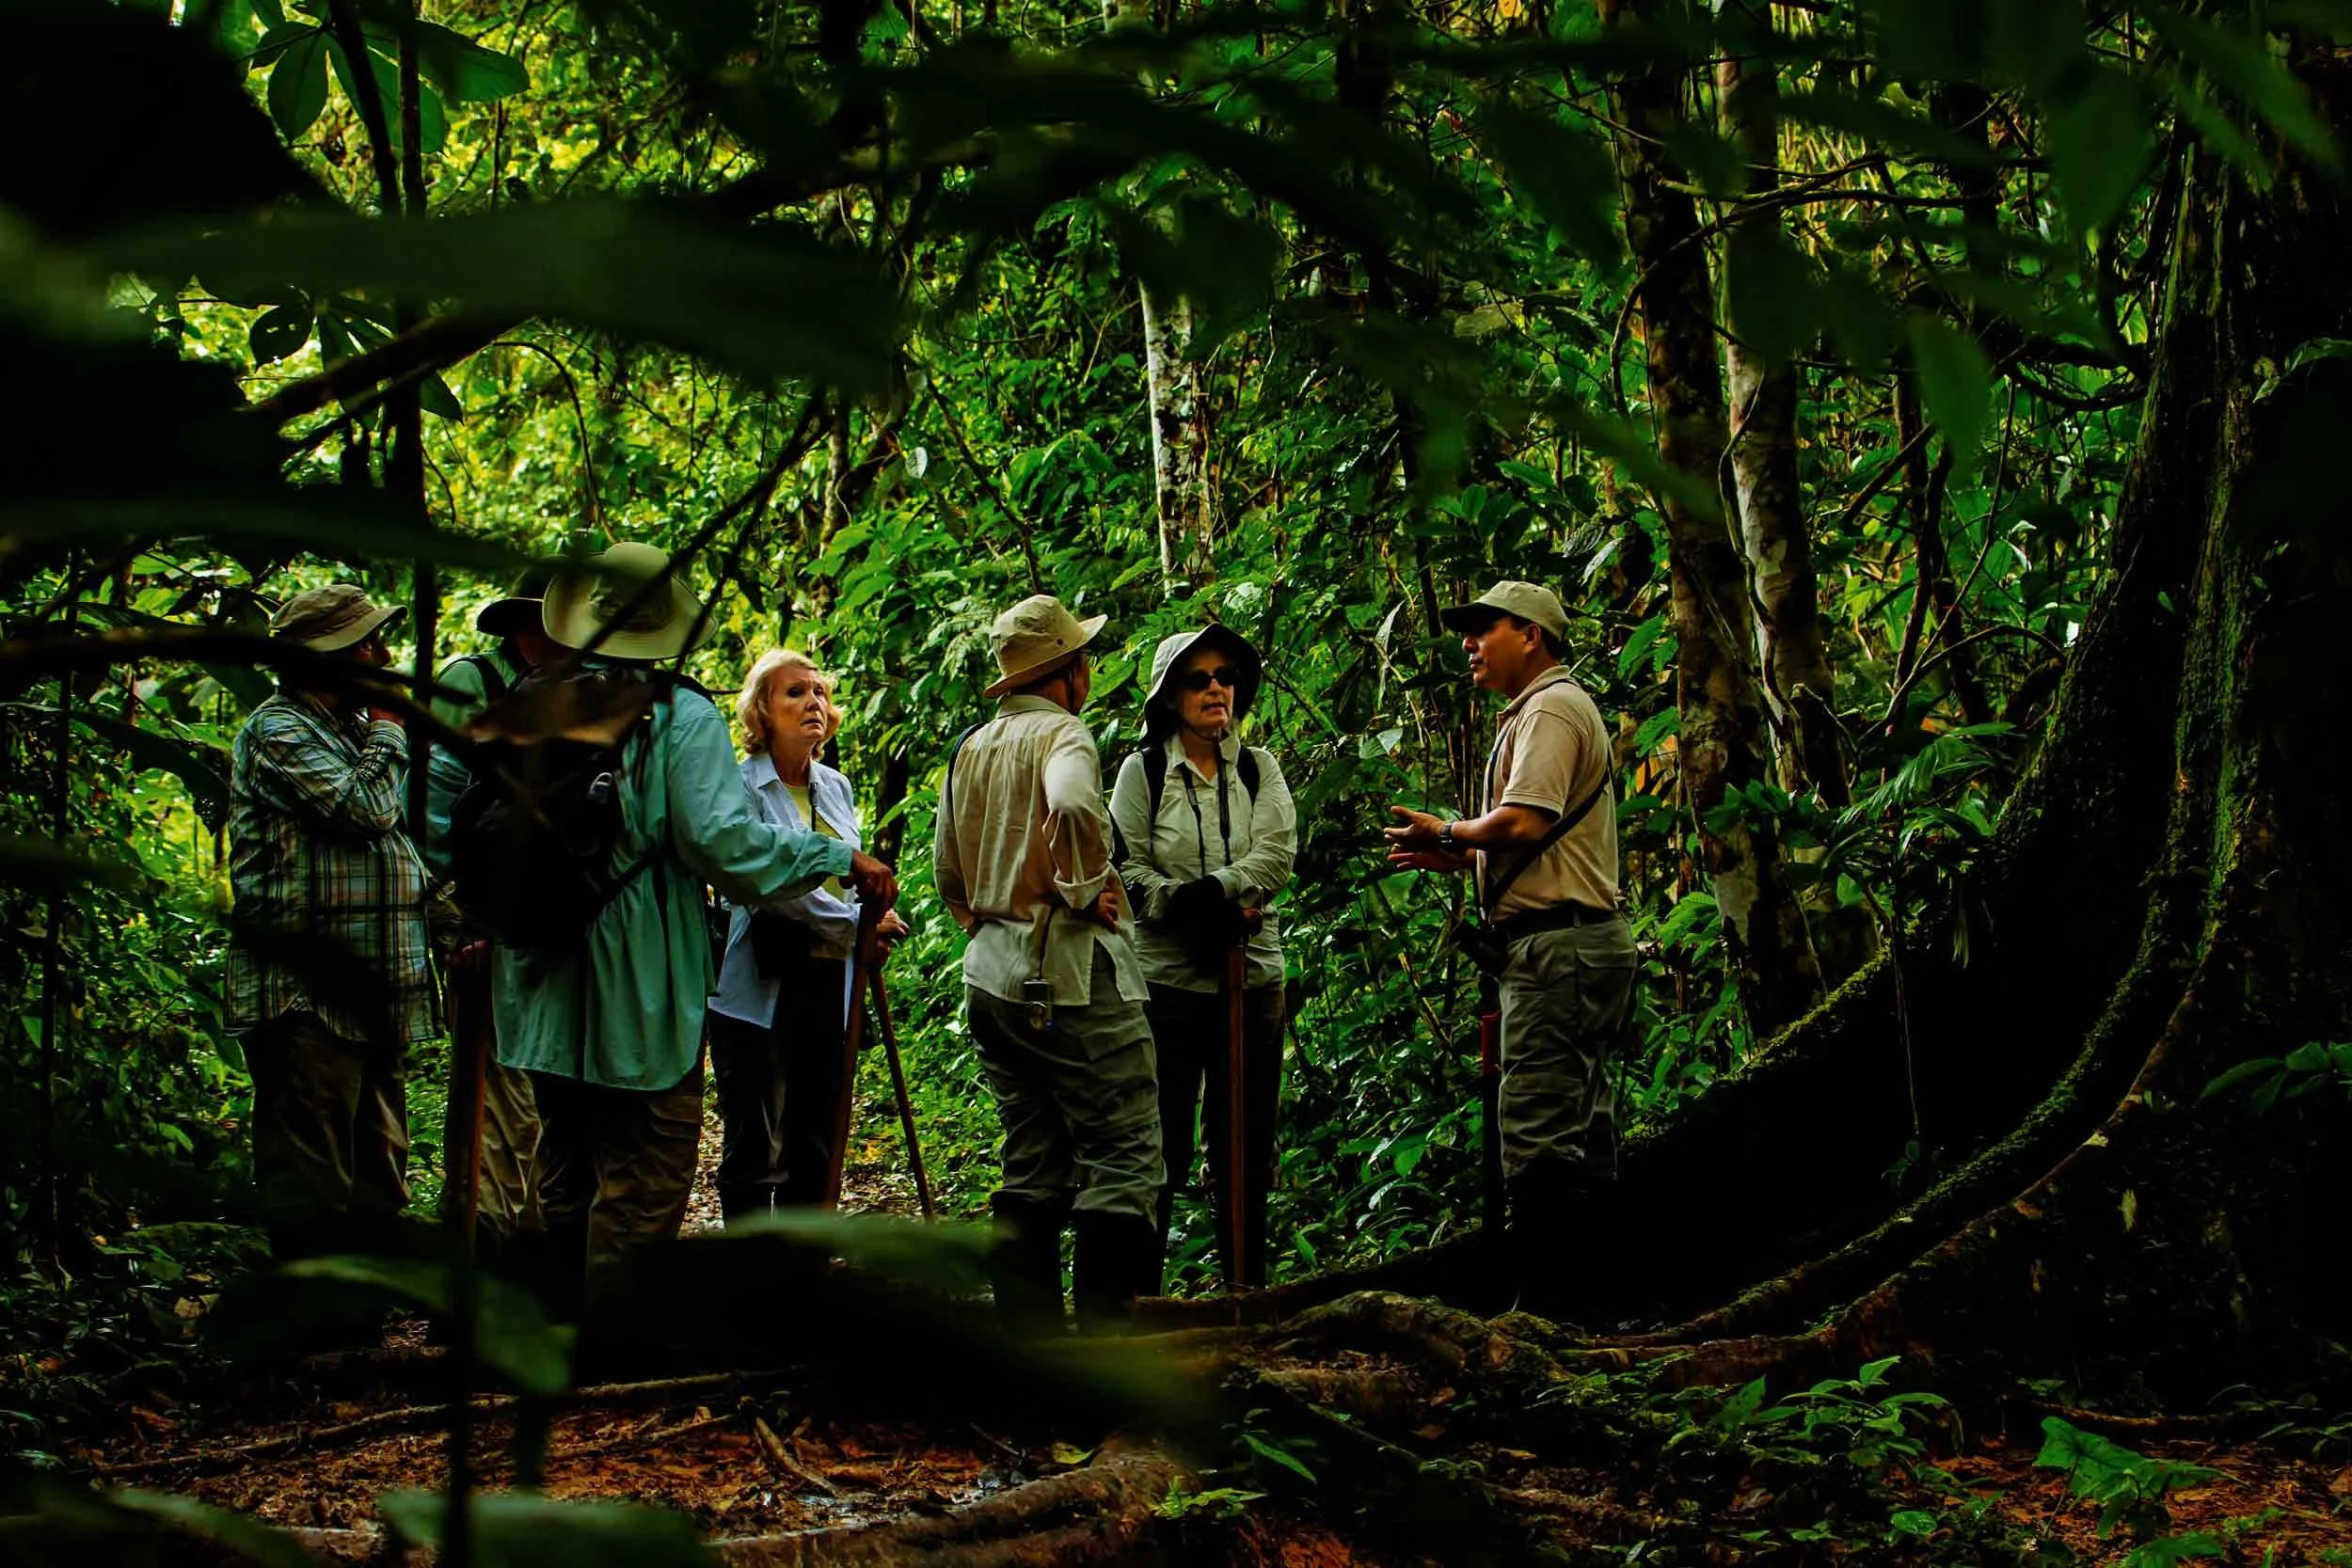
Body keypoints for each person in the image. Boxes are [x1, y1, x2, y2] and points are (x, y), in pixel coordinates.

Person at [489, 543, 898, 1316]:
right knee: (645, 1171)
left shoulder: (534, 701)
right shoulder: (677, 715)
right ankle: (610, 1346)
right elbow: (724, 846)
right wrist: (834, 855)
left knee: (566, 1162)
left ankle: (551, 1326)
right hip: (637, 983)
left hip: (539, 978)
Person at [1381, 579, 1631, 1317]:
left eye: (1483, 629)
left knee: (1537, 1131)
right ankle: (1597, 1302)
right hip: (1574, 946)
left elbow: (1524, 821)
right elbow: (1543, 839)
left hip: (1562, 952)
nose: (1469, 643)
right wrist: (1458, 855)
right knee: (1582, 1128)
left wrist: (1452, 832)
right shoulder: (1544, 708)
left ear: (1531, 634)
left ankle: (1551, 1315)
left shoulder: (1553, 706)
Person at [933, 594, 1163, 1334]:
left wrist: (989, 912)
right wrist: (1083, 886)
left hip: (990, 974)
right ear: (1069, 670)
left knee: (1031, 1158)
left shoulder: (973, 746)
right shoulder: (1064, 734)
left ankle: (1032, 1358)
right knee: (1124, 1154)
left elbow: (948, 874)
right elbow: (1069, 803)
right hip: (1064, 977)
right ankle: (1100, 1365)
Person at [227, 583, 435, 1259]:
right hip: (306, 999)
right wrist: (390, 728)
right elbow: (365, 809)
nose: (384, 653)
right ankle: (311, 1341)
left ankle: (364, 1324)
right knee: (314, 1176)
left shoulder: (346, 729)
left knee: (381, 1166)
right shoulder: (278, 728)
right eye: (367, 643)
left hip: (374, 990)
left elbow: (387, 845)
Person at [1108, 626, 1295, 1290]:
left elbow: (1275, 855)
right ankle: (1144, 1301)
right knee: (1163, 1144)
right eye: (1198, 679)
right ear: (1170, 698)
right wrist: (1185, 905)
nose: (1217, 687)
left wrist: (1217, 891)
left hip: (1254, 975)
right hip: (1168, 981)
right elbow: (1124, 865)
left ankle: (1245, 1290)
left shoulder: (1258, 768)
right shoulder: (1145, 771)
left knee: (1243, 1144)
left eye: (1225, 676)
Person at [706, 648, 908, 1224]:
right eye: (794, 692)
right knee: (754, 1137)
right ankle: (749, 1274)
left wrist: (875, 921)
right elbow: (773, 883)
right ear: (762, 711)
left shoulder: (836, 787)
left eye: (819, 691)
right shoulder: (739, 786)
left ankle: (802, 1274)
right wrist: (857, 928)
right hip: (758, 981)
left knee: (816, 1133)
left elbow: (852, 878)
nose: (812, 702)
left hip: (828, 978)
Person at [419, 566, 556, 1253]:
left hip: (555, 931)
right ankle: (483, 1252)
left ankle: (532, 1250)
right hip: (483, 923)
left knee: (541, 1096)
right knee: (494, 1096)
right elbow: (435, 811)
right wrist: (458, 919)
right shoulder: (471, 685)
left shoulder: (582, 687)